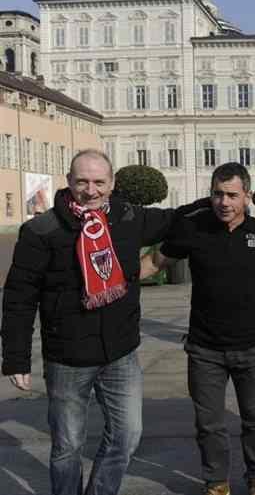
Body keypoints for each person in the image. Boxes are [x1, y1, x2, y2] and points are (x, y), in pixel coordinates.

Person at [2, 149, 204, 495]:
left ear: (111, 184)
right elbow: (19, 298)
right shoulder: (42, 231)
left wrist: (218, 202)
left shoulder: (127, 217)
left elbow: (176, 218)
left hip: (120, 355)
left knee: (127, 436)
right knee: (67, 447)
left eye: (99, 182)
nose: (90, 190)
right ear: (68, 182)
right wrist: (16, 359)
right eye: (82, 181)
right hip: (67, 358)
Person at [140, 163, 255, 495]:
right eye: (217, 194)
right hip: (205, 350)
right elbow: (155, 262)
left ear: (247, 196)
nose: (223, 202)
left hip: (253, 347)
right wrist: (112, 282)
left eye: (231, 195)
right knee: (209, 426)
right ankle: (217, 483)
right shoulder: (193, 228)